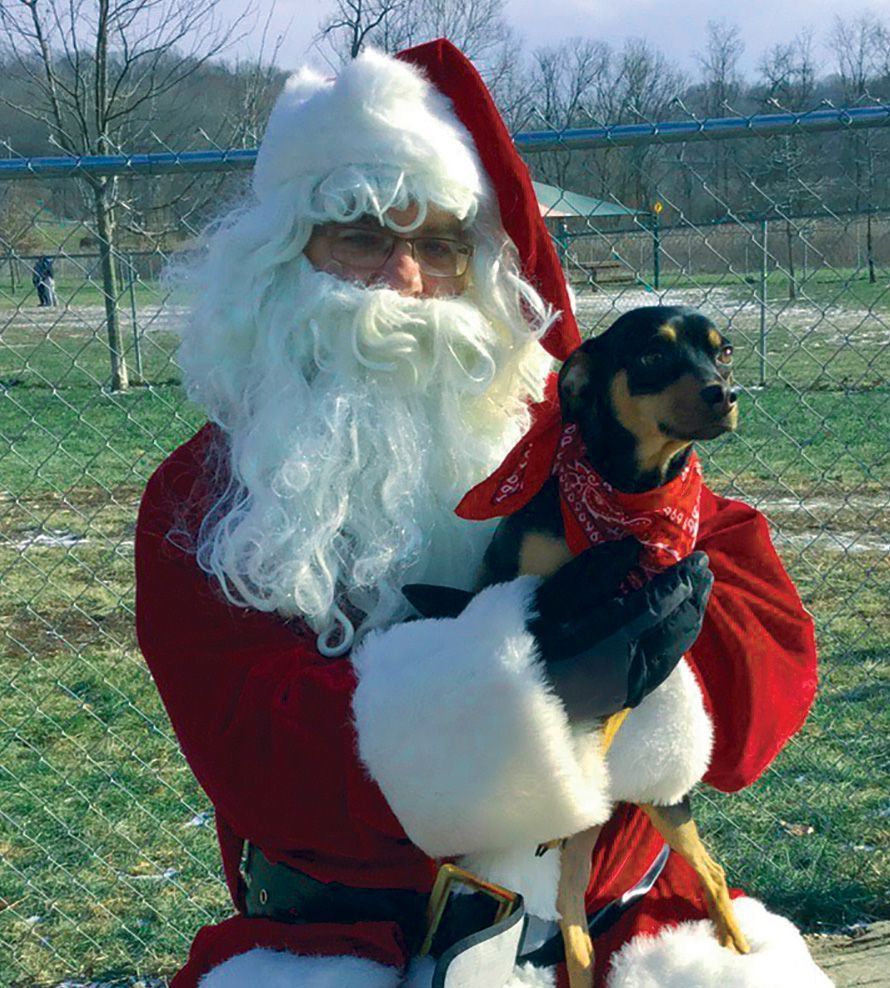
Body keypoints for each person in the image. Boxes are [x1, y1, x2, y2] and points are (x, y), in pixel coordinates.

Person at [136, 40, 829, 987]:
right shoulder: (205, 496)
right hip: (357, 947)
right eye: (363, 238)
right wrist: (529, 689)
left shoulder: (582, 441)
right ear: (280, 261)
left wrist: (659, 677)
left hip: (618, 924)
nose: (406, 281)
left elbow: (766, 675)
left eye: (440, 245)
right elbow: (259, 759)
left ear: (488, 266)